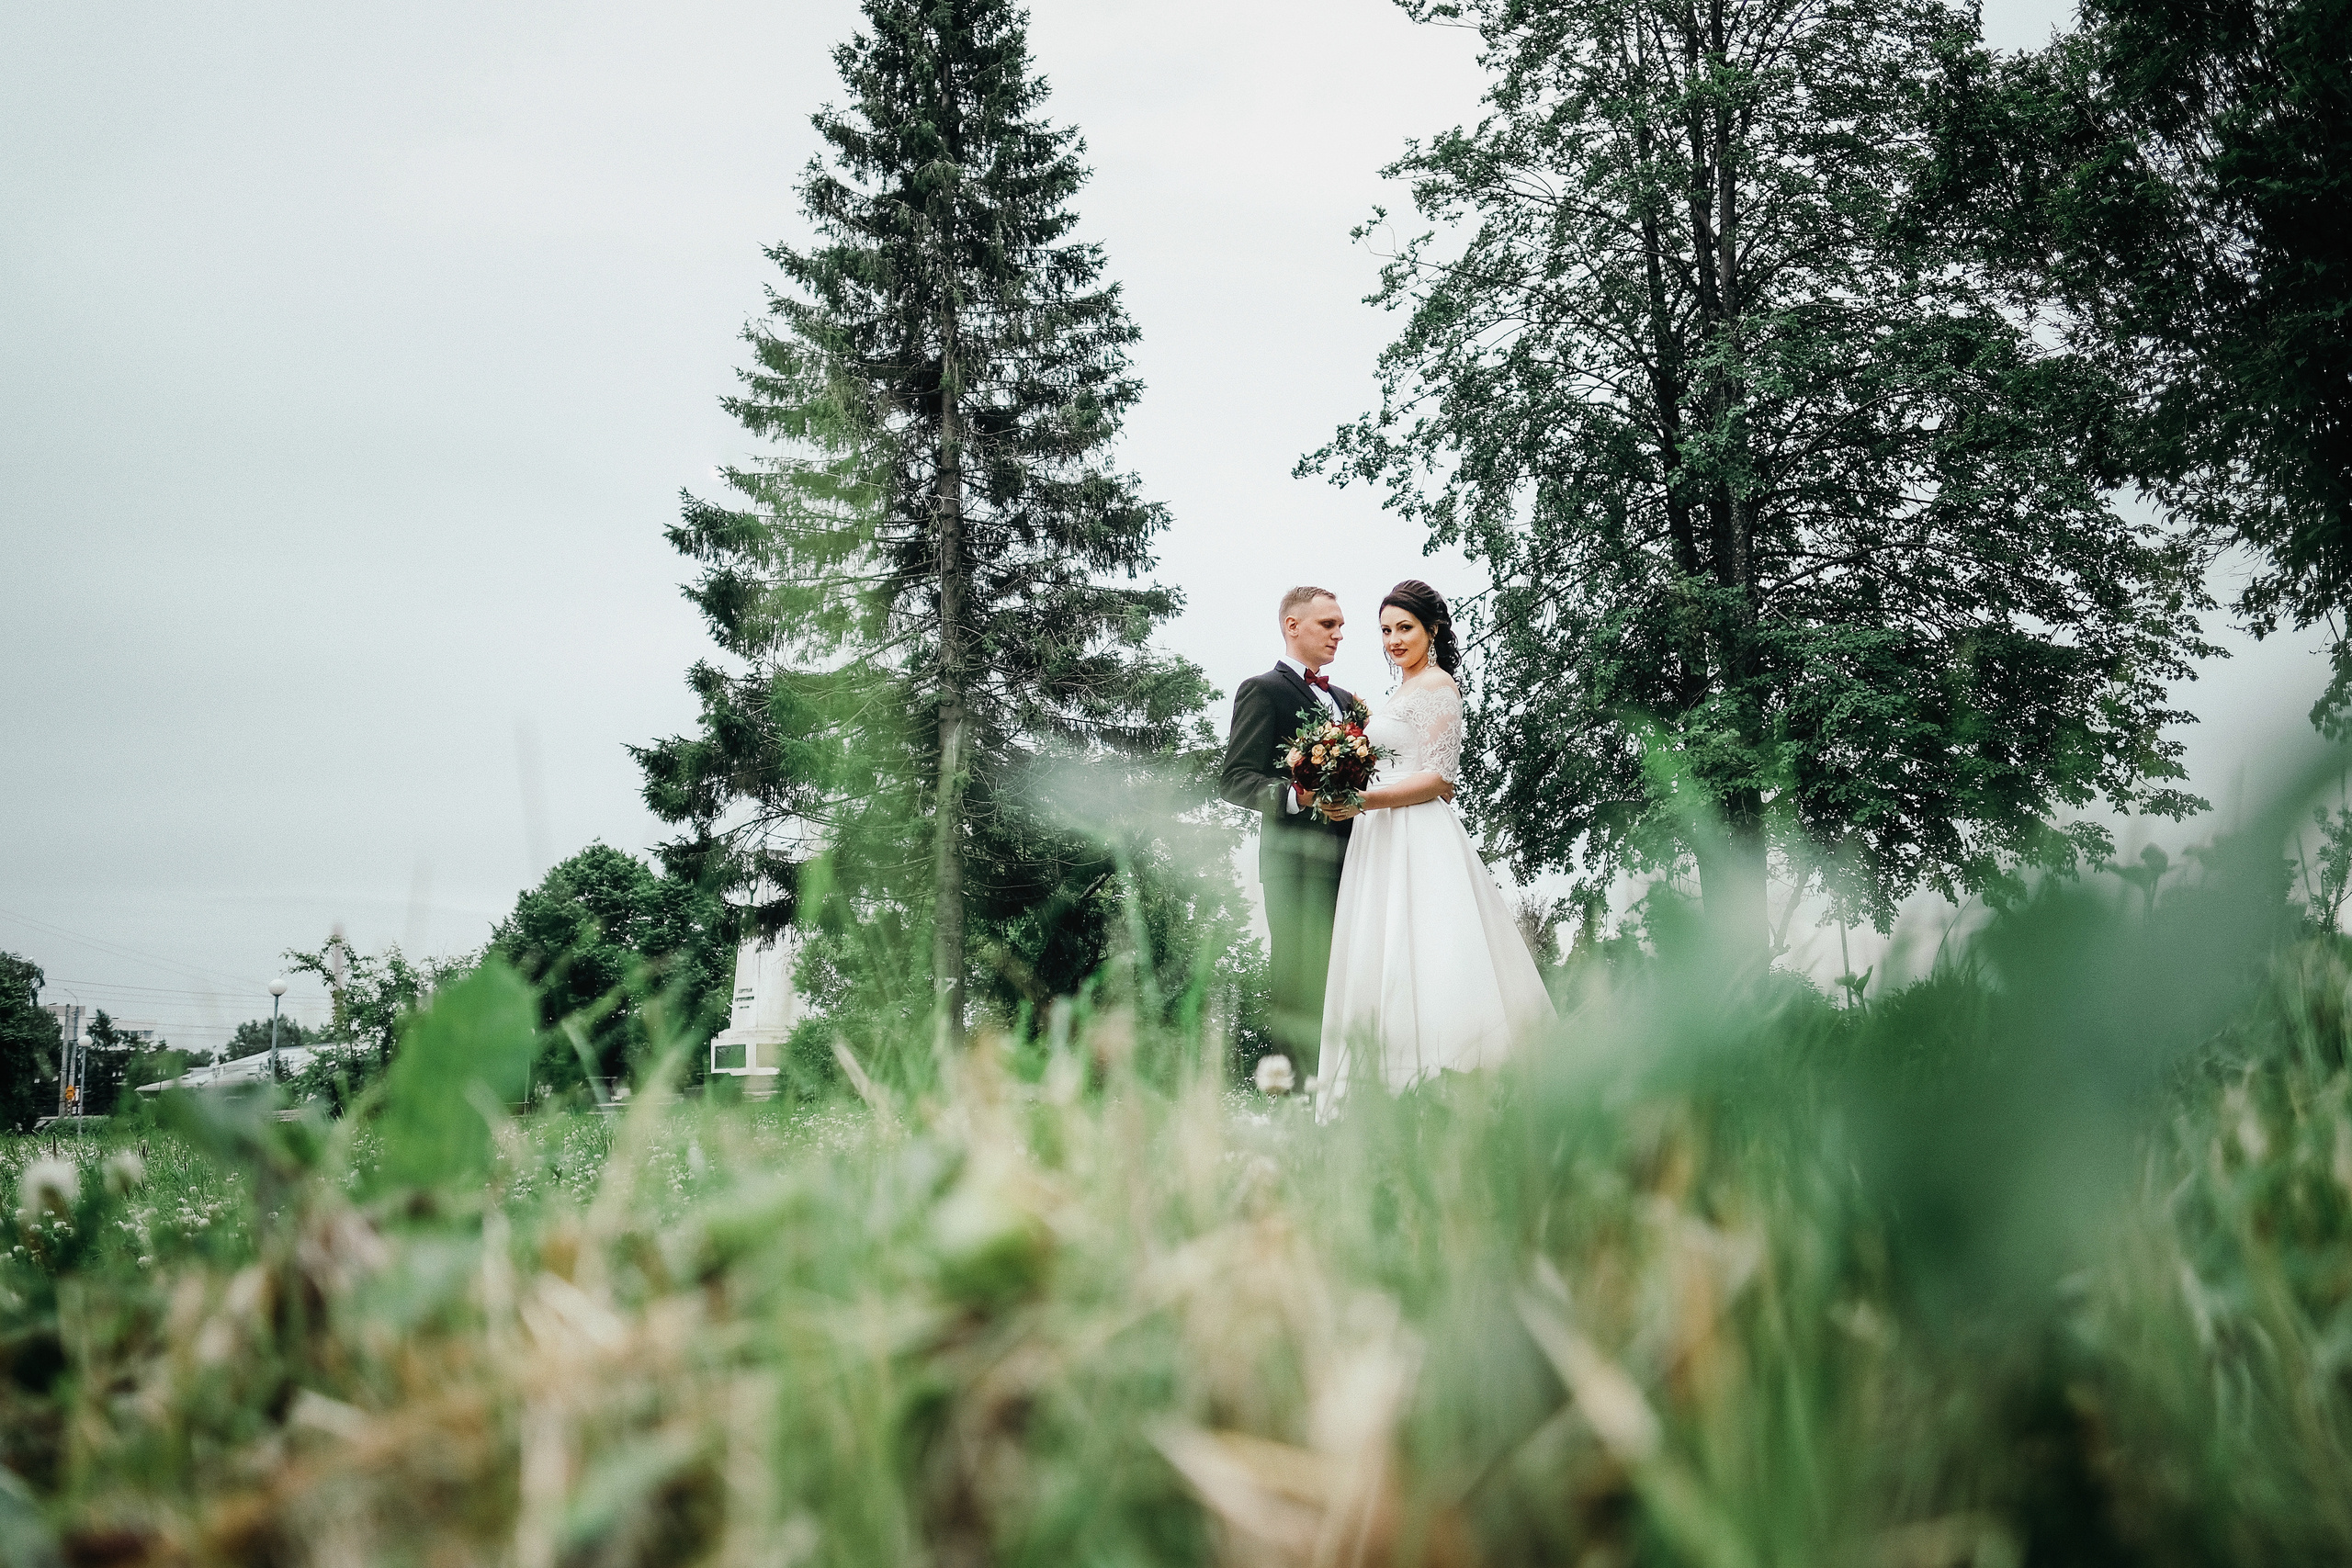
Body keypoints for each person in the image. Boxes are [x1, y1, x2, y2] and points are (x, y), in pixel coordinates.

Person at [1314, 580, 1555, 1112]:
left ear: (1432, 630)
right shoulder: (1399, 693)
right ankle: (1382, 1093)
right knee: (1381, 950)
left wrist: (1362, 801)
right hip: (1377, 837)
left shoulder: (1439, 687)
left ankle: (1453, 1086)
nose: (1394, 640)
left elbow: (1441, 779)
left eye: (1405, 628)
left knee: (1429, 950)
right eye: (1385, 631)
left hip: (1416, 834)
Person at [1219, 586, 1361, 1067]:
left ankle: (1341, 1092)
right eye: (1329, 624)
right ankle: (1295, 1093)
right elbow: (1235, 779)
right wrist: (1295, 796)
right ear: (1292, 626)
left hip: (1356, 861)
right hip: (1294, 865)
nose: (1340, 634)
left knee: (1348, 976)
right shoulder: (1263, 690)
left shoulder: (1346, 700)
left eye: (1341, 625)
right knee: (1299, 979)